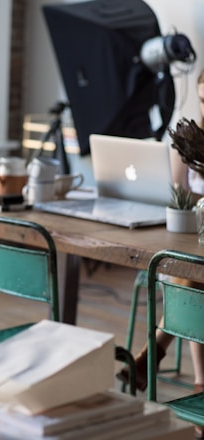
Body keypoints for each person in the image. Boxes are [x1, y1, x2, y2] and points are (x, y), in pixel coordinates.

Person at [117, 68, 204, 439]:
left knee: (192, 277)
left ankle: (153, 355)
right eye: (203, 100)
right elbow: (181, 198)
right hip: (195, 241)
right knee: (191, 273)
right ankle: (199, 385)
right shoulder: (191, 139)